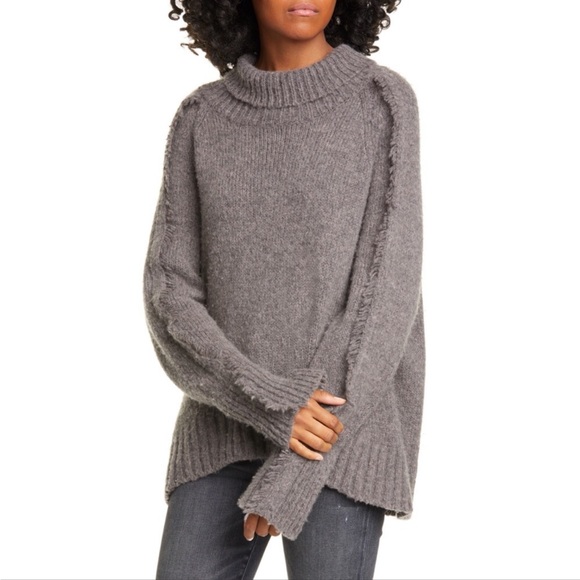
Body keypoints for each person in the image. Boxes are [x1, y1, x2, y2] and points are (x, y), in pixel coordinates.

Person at [142, 0, 425, 578]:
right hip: (221, 425)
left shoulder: (380, 101)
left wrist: (294, 471)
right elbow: (169, 293)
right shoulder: (201, 117)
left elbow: (385, 295)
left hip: (337, 436)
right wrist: (269, 404)